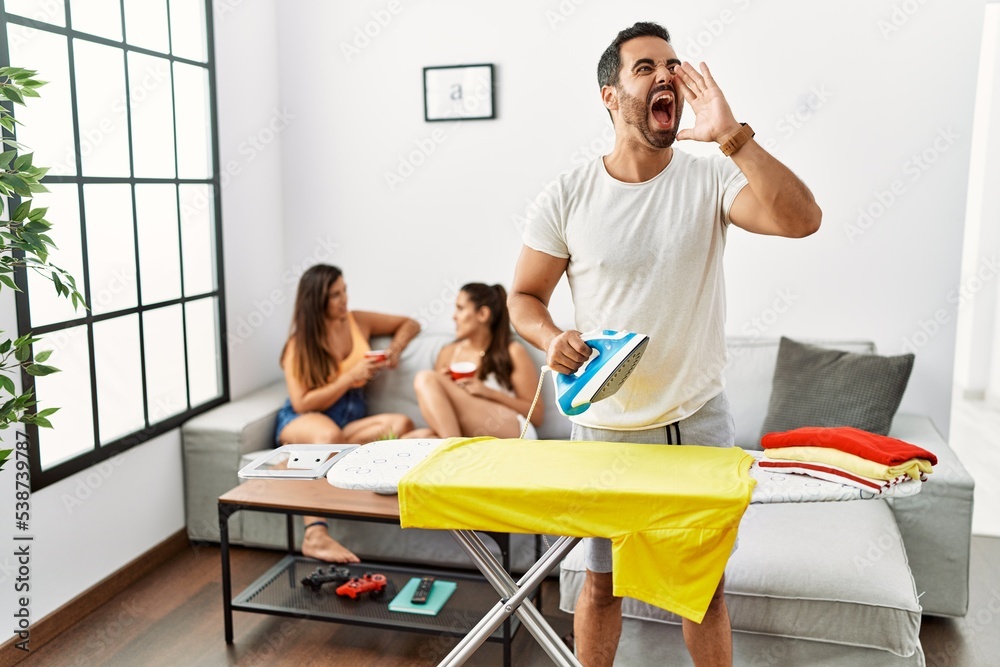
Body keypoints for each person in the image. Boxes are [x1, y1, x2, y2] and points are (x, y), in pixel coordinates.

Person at [507, 21, 821, 667]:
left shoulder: (711, 178)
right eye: (645, 67)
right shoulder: (566, 195)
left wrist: (732, 136)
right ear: (610, 95)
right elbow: (523, 298)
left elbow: (803, 219)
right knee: (600, 585)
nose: (666, 77)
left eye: (672, 65)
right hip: (603, 430)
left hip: (695, 424)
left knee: (701, 593)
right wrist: (551, 336)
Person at [275, 264, 430, 563]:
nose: (343, 299)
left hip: (346, 421)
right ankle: (315, 535)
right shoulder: (298, 344)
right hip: (305, 419)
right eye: (335, 295)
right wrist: (349, 377)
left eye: (344, 290)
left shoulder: (357, 321)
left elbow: (410, 323)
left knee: (401, 423)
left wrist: (395, 351)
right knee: (327, 435)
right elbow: (302, 402)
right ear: (316, 300)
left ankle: (307, 457)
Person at [413, 283, 544, 440]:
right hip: (467, 431)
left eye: (460, 308)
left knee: (425, 378)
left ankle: (453, 450)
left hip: (512, 428)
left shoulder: (512, 351)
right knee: (423, 436)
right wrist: (445, 386)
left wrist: (488, 393)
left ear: (482, 314)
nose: (454, 316)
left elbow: (536, 415)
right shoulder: (447, 353)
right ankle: (453, 446)